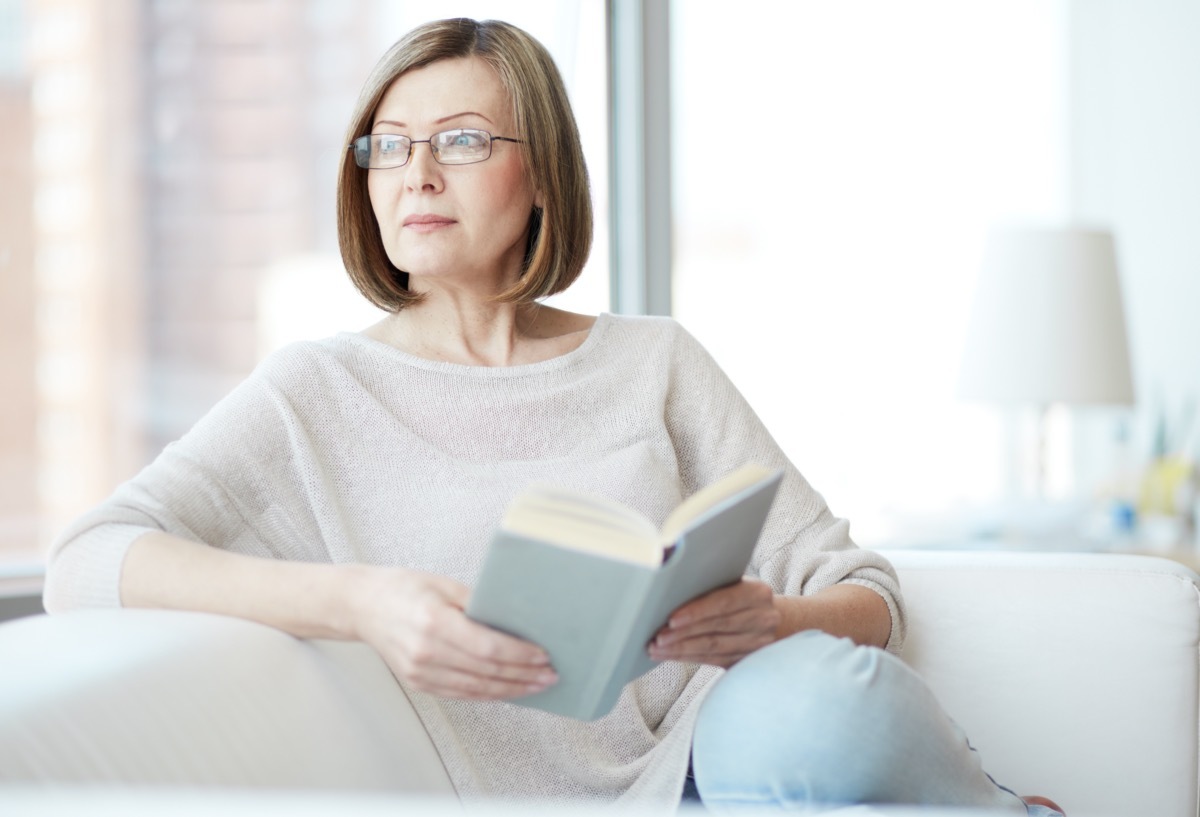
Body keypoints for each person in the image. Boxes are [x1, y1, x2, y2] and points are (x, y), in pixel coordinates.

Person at [44, 17, 1062, 816]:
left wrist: (779, 619)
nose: (417, 174)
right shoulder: (314, 390)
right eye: (389, 146)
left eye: (462, 140)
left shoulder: (654, 361)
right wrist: (366, 601)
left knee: (825, 710)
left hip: (725, 745)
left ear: (540, 179)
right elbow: (85, 563)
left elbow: (868, 596)